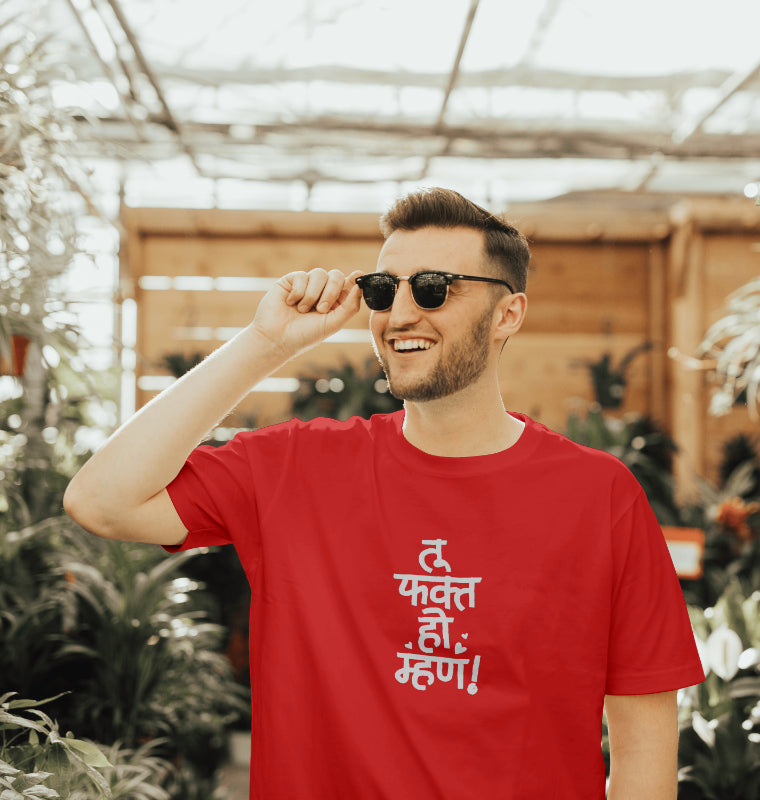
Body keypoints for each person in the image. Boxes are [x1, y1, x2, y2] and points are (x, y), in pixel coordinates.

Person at [64, 187, 704, 799]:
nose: (400, 315)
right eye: (381, 290)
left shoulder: (599, 495)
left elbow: (644, 747)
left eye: (434, 289)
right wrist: (264, 345)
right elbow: (101, 501)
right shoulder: (295, 466)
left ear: (508, 313)